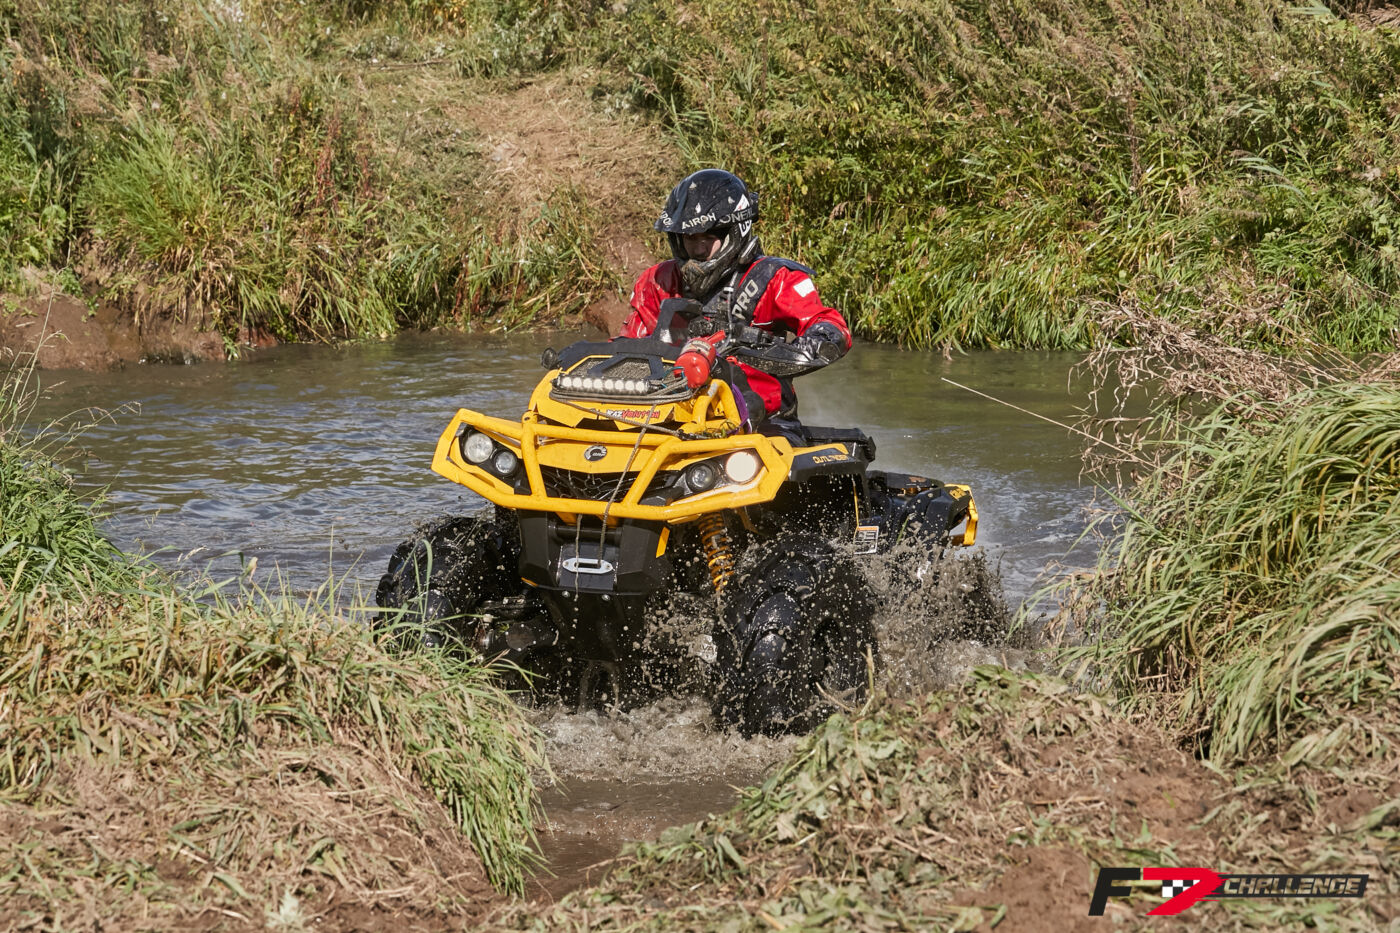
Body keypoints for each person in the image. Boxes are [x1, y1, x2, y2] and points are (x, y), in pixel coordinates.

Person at [618, 168, 852, 443]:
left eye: (708, 237)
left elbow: (831, 326)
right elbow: (626, 346)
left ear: (734, 231)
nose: (698, 249)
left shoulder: (775, 278)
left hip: (763, 423)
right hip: (666, 415)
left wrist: (799, 348)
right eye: (690, 238)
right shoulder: (657, 280)